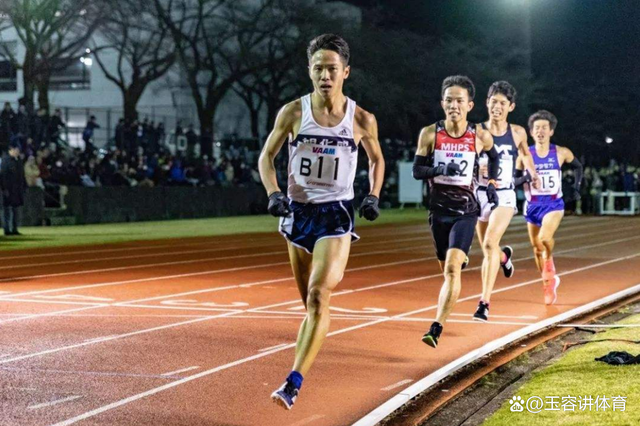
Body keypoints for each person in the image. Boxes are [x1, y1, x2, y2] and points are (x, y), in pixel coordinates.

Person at [258, 34, 384, 410]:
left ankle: (293, 383)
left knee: (318, 295)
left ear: (345, 72)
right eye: (318, 69)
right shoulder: (293, 113)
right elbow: (266, 157)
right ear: (309, 72)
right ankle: (308, 355)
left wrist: (373, 194)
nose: (324, 75)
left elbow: (377, 159)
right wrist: (274, 192)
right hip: (298, 215)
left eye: (331, 69)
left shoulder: (361, 118)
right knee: (310, 307)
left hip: (336, 215)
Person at [412, 75, 499, 348]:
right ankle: (457, 262)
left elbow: (495, 157)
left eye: (459, 101)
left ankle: (436, 327)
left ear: (470, 105)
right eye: (449, 100)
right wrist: (439, 170)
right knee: (447, 269)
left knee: (451, 269)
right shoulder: (430, 133)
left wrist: (492, 183)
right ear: (442, 103)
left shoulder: (479, 135)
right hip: (438, 212)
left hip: (466, 212)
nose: (454, 106)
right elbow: (417, 171)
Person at [472, 81, 539, 322]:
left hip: (505, 195)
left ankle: (484, 303)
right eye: (493, 101)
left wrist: (533, 173)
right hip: (480, 194)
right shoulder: (478, 131)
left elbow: (525, 153)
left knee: (490, 243)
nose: (496, 107)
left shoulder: (518, 131)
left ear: (511, 106)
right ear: (486, 103)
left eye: (502, 103)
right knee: (489, 250)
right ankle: (504, 258)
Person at [518, 110, 582, 305]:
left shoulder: (561, 152)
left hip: (553, 204)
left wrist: (577, 188)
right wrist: (527, 178)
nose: (540, 131)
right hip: (532, 205)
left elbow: (578, 167)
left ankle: (550, 270)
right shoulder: (524, 155)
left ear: (551, 131)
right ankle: (548, 282)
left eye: (544, 128)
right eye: (537, 128)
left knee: (545, 238)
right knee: (537, 250)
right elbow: (514, 179)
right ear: (531, 132)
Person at [1, 140, 26, 235]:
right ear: (11, 150)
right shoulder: (5, 161)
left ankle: (14, 228)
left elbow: (21, 176)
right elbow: (3, 176)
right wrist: (4, 189)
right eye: (16, 149)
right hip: (9, 190)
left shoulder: (18, 161)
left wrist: (23, 187)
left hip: (17, 190)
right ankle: (7, 229)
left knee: (15, 211)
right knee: (7, 211)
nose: (18, 151)